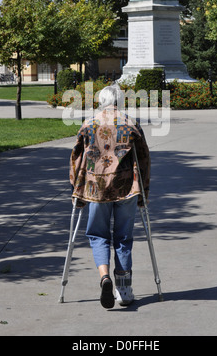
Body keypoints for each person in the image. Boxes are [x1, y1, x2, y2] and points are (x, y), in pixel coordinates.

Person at [69, 84, 150, 309]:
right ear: (120, 101)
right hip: (127, 187)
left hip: (97, 189)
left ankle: (105, 277)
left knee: (98, 235)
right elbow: (144, 159)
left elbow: (77, 157)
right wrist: (144, 192)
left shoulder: (89, 124)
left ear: (100, 101)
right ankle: (123, 290)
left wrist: (77, 187)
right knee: (123, 237)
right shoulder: (131, 123)